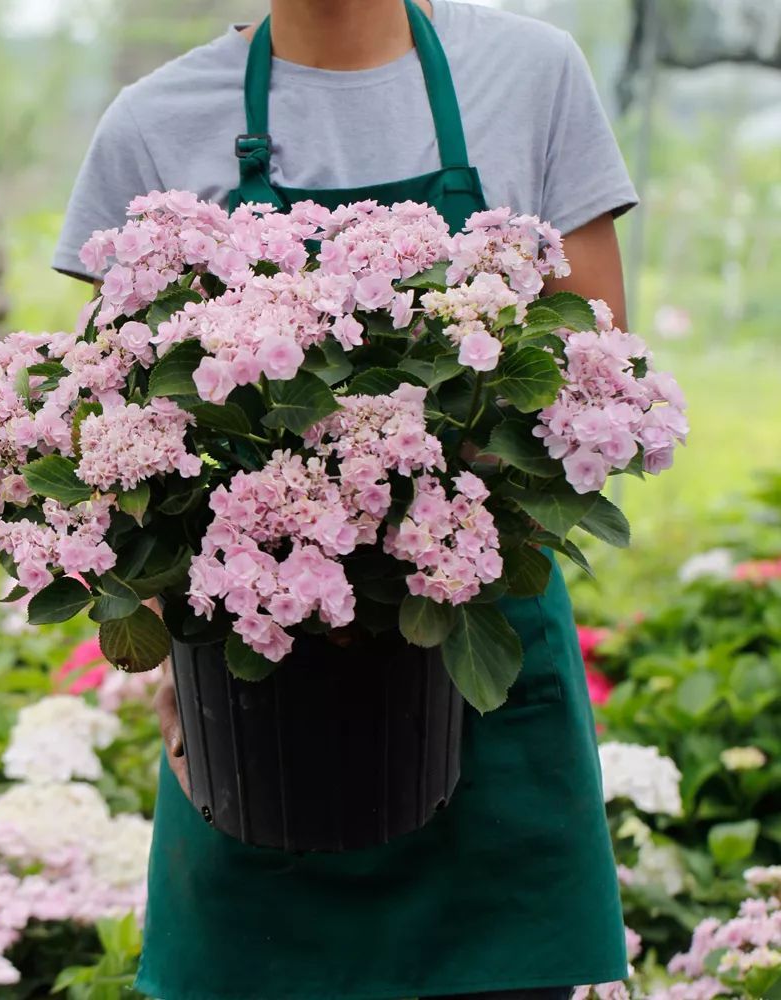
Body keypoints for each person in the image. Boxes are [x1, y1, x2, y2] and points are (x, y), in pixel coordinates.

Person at [52, 2, 639, 998]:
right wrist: (161, 625)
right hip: (259, 704)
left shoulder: (530, 74)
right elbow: (122, 429)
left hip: (485, 684)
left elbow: (594, 379)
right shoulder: (153, 124)